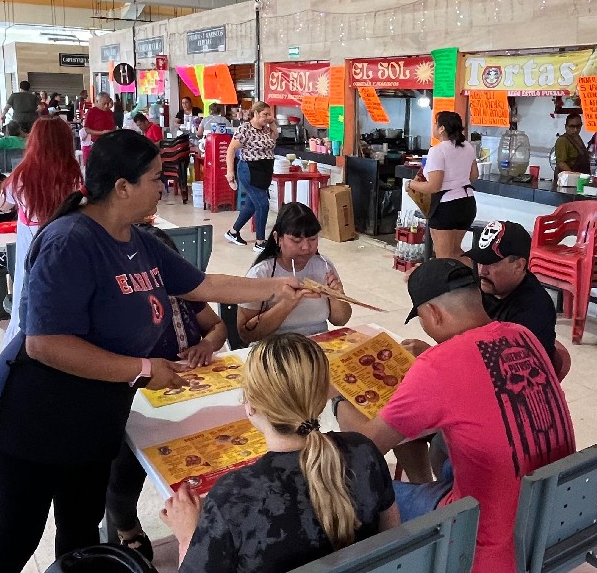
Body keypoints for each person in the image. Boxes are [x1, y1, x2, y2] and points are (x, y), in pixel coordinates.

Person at [0, 130, 301, 573]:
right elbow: (46, 344)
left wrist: (277, 285)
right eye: (154, 178)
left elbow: (204, 285)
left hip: (97, 411)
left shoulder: (137, 239)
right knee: (16, 536)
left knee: (80, 533)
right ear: (122, 186)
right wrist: (144, 368)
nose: (162, 187)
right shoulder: (71, 240)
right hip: (37, 412)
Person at [334, 258, 573, 573]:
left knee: (354, 491)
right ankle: (426, 492)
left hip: (485, 541)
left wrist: (338, 397)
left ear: (433, 313)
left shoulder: (437, 366)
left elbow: (365, 448)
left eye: (421, 318)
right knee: (450, 456)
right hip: (554, 515)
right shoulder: (522, 335)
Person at [161, 334, 399, 572]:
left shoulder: (233, 496)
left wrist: (187, 536)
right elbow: (393, 543)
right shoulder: (363, 452)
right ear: (323, 397)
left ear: (250, 405)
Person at [104, 225, 227, 563]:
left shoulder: (185, 295)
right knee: (123, 475)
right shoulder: (118, 305)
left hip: (189, 393)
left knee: (218, 448)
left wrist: (205, 345)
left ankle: (211, 520)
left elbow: (217, 327)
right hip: (137, 400)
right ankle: (128, 529)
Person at [0, 117, 84, 348]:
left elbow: (2, 204)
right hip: (66, 239)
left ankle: (24, 344)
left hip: (30, 242)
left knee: (26, 293)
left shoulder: (21, 174)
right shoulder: (75, 173)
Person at [464, 220, 566, 377]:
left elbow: (503, 372)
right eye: (480, 261)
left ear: (519, 265)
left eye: (491, 263)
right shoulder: (485, 285)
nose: (482, 271)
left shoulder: (533, 310)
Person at [238, 203, 351, 342]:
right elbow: (246, 334)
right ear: (277, 238)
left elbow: (341, 320)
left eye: (312, 239)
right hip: (275, 349)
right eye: (296, 240)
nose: (306, 247)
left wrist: (336, 296)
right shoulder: (261, 274)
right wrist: (288, 303)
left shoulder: (324, 266)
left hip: (317, 345)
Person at [407, 111, 478, 259]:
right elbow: (474, 176)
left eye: (435, 123)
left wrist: (411, 184)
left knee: (444, 257)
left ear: (442, 128)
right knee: (456, 252)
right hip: (467, 204)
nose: (433, 126)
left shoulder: (437, 151)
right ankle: (474, 279)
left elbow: (434, 186)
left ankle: (456, 281)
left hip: (446, 207)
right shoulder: (468, 147)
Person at [224, 101, 277, 252]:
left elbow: (274, 139)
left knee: (252, 205)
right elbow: (231, 150)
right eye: (264, 114)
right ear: (255, 113)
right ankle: (260, 242)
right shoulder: (245, 129)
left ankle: (233, 232)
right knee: (263, 205)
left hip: (264, 171)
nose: (267, 117)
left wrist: (272, 123)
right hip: (249, 170)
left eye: (269, 114)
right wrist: (230, 172)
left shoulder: (266, 129)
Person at [81, 93, 116, 162]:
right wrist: (102, 133)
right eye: (103, 104)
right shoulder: (92, 111)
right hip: (98, 143)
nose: (106, 106)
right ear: (97, 101)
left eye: (107, 103)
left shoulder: (110, 112)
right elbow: (86, 129)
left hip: (110, 142)